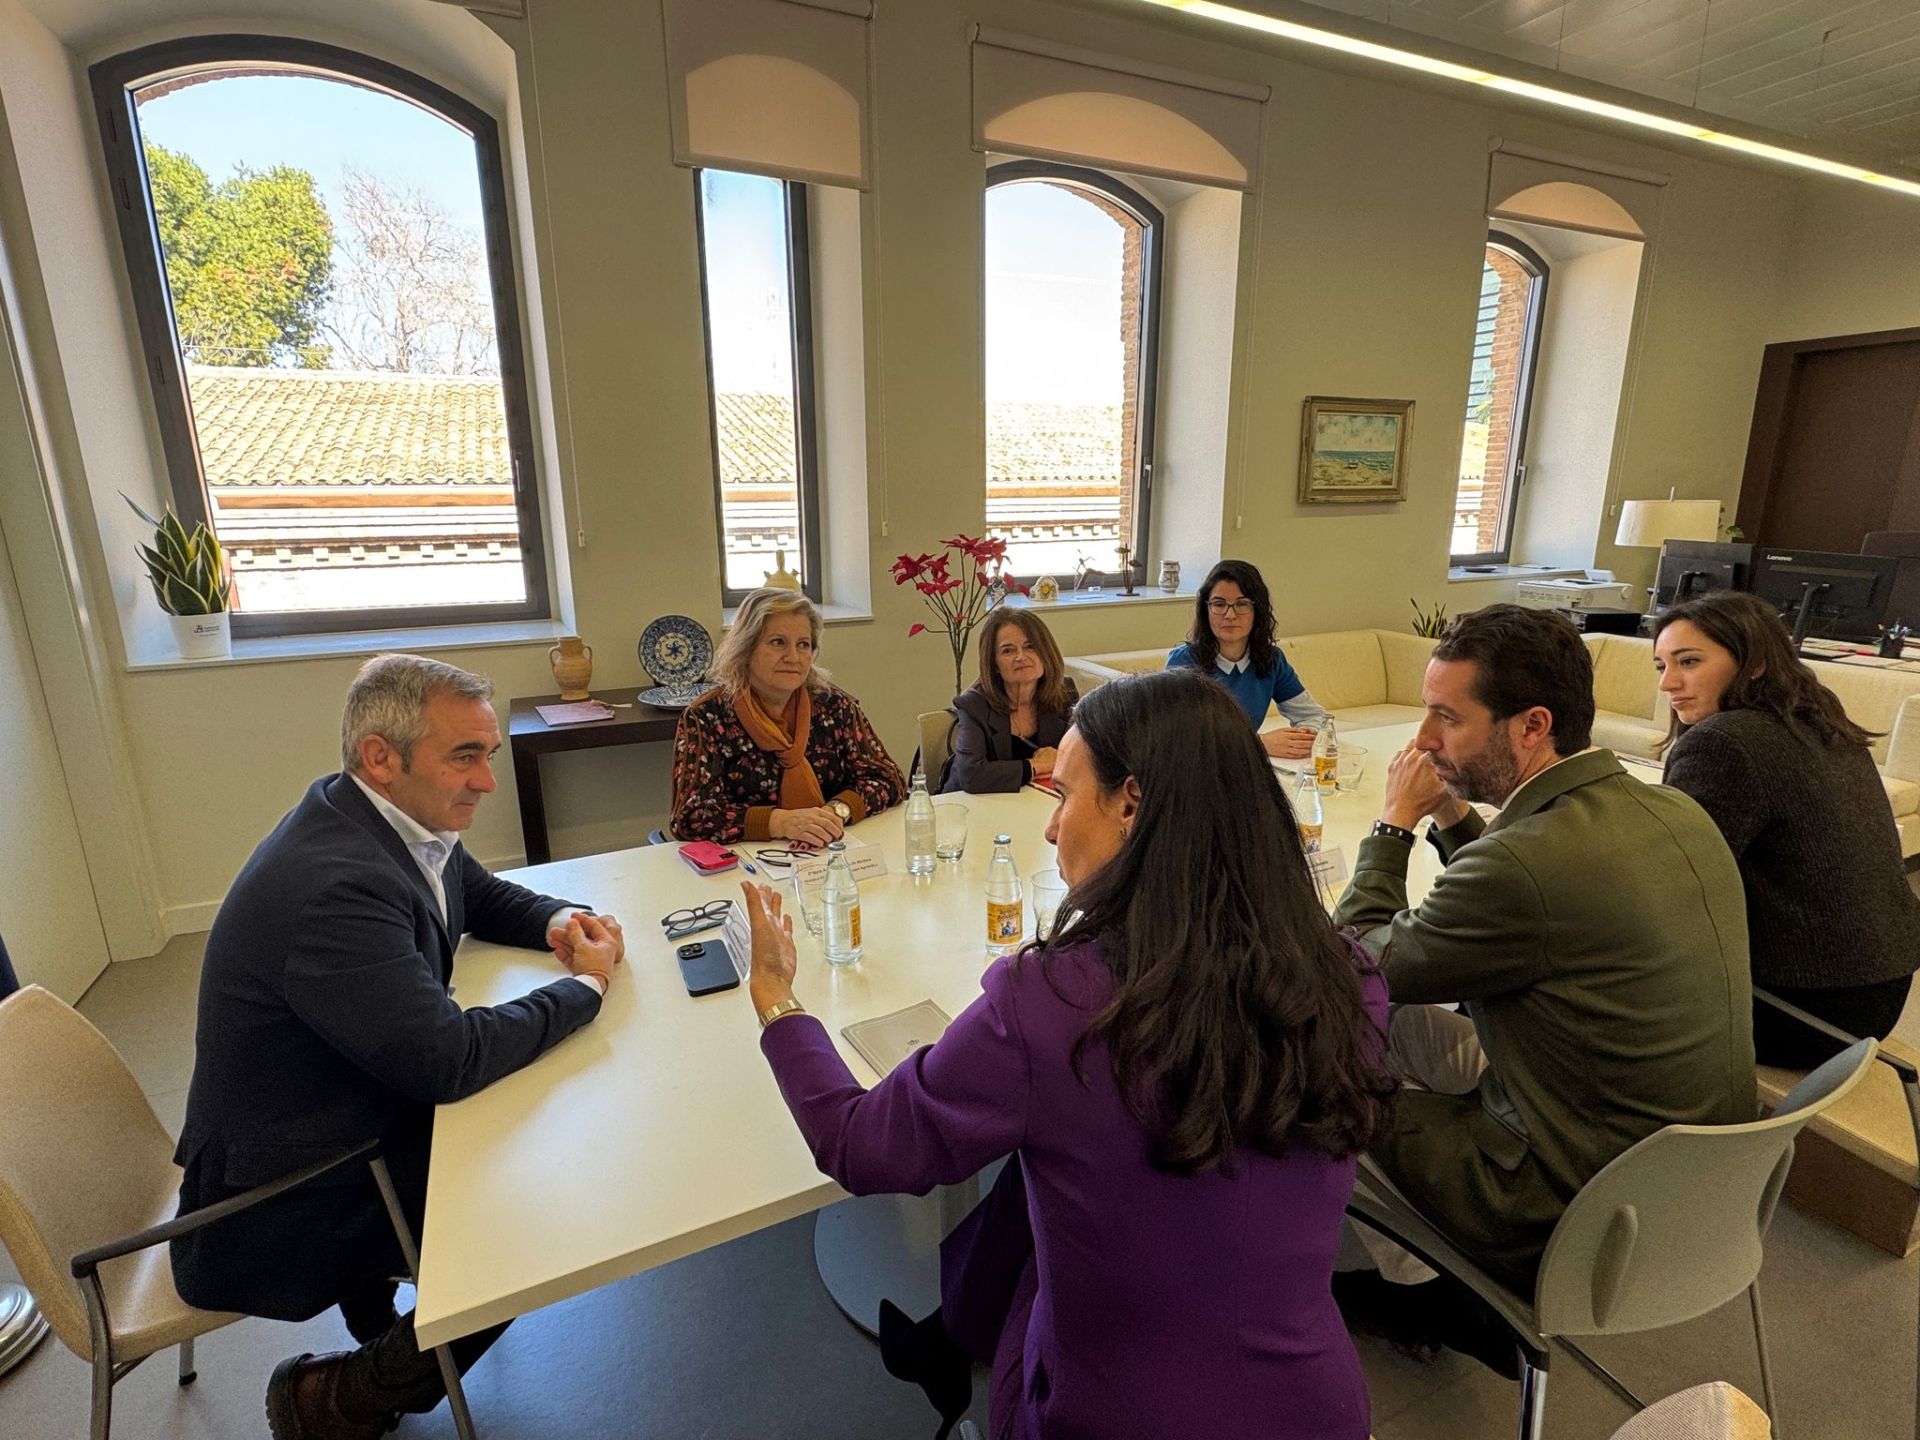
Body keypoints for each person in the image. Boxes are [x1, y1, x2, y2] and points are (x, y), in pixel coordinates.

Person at [739, 669, 1395, 1440]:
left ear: (1131, 805)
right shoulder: (1350, 976)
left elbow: (860, 1146)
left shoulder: (1052, 1006)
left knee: (1038, 1190)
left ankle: (953, 1345)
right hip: (1319, 1409)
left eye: (1064, 796)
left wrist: (778, 1001)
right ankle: (949, 1339)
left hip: (1108, 1415)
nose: (1051, 828)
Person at [170, 654, 626, 1440]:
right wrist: (586, 990)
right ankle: (344, 1395)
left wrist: (559, 920)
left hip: (345, 1110)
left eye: (486, 753)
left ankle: (377, 1322)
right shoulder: (334, 885)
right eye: (465, 756)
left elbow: (474, 893)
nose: (487, 780)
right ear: (381, 756)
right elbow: (446, 1060)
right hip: (288, 1188)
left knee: (530, 1150)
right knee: (546, 1221)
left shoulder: (371, 816)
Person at [1330, 604, 1752, 1353]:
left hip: (1566, 1206)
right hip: (1691, 1189)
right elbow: (1521, 901)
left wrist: (1393, 826)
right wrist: (1456, 815)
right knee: (1403, 1032)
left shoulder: (1524, 865)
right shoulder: (1673, 810)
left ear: (1531, 726)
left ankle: (1439, 1296)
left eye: (1445, 718)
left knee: (1313, 1087)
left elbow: (1355, 965)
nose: (1424, 740)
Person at [1655, 590, 1920, 1066]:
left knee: (1568, 977)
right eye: (1662, 666)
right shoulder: (1818, 717)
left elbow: (1671, 885)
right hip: (1881, 991)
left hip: (1804, 1010)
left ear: (1753, 664)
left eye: (1688, 661)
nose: (1668, 683)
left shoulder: (1725, 741)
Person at [671, 588, 906, 845]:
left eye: (803, 645)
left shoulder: (835, 706)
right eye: (777, 642)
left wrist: (836, 811)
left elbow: (888, 779)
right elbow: (691, 815)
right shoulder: (707, 716)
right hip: (748, 864)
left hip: (831, 849)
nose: (793, 657)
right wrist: (782, 822)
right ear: (746, 647)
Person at [1166, 558, 1328, 759]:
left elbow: (1314, 716)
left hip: (1248, 766)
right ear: (1205, 610)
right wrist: (1259, 744)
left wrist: (1303, 739)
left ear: (1257, 610)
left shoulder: (1271, 659)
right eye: (1219, 604)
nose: (1230, 615)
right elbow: (1181, 738)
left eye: (1242, 604)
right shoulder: (1184, 662)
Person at [943, 608, 1078, 793]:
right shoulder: (974, 705)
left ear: (1046, 653)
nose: (1021, 657)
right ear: (994, 664)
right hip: (973, 809)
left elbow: (1085, 759)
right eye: (1008, 650)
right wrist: (1034, 766)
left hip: (1038, 805)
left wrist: (1062, 758)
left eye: (1030, 646)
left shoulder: (1065, 693)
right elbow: (971, 775)